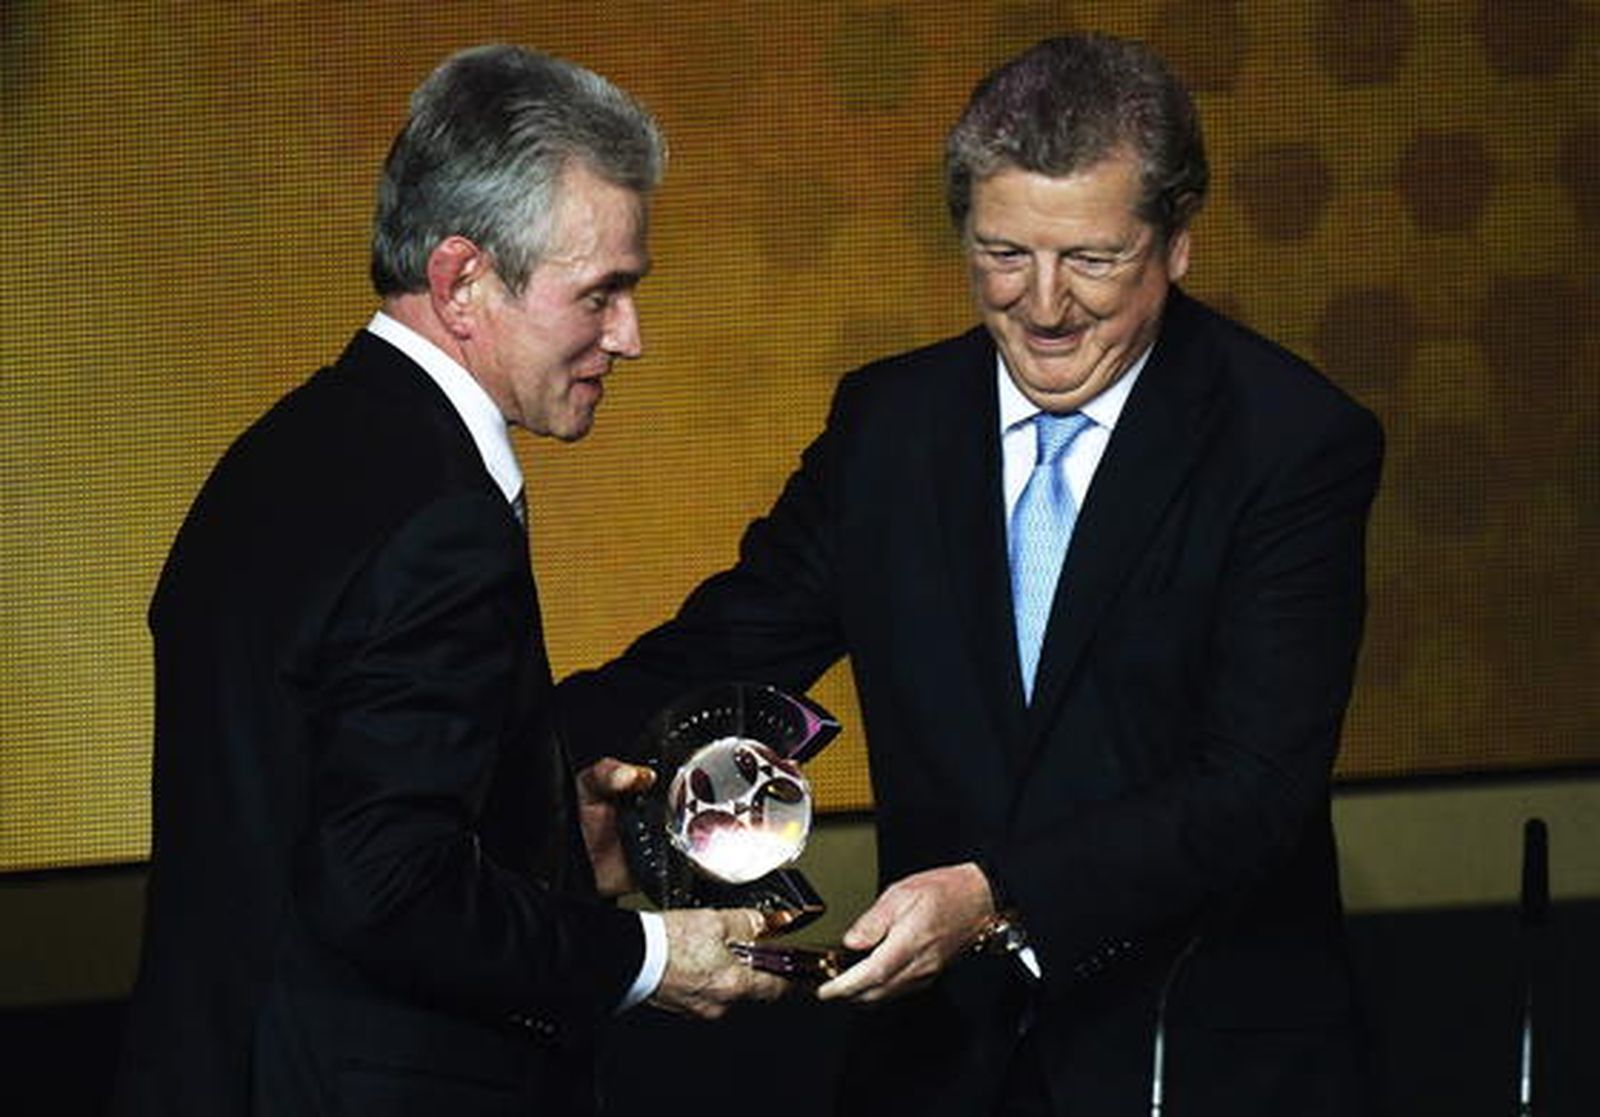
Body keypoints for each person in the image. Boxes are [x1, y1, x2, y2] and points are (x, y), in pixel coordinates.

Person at [558, 32, 1384, 1116]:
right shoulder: (888, 426)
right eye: (1003, 253)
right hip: (941, 1066)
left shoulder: (1291, 440)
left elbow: (1252, 787)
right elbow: (727, 645)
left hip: (1200, 1061)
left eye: (1090, 259)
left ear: (1177, 241)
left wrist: (997, 895)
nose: (1043, 306)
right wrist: (510, 763)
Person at [111, 45, 786, 1117]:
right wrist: (650, 954)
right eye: (601, 293)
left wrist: (539, 827)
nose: (631, 336)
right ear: (462, 278)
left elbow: (307, 814)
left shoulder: (281, 453)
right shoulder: (443, 518)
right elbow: (385, 888)